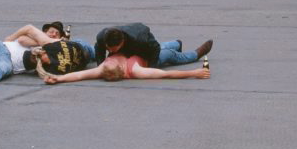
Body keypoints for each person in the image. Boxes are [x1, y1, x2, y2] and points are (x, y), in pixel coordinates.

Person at [0, 23, 93, 88]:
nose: (53, 34)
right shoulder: (44, 41)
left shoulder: (56, 53)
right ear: (45, 33)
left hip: (9, 62)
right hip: (0, 47)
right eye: (51, 31)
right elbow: (23, 39)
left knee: (0, 68)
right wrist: (12, 37)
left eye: (57, 33)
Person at [94, 23, 213, 68]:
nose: (110, 51)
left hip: (148, 49)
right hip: (139, 48)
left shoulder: (140, 40)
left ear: (122, 42)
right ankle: (176, 43)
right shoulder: (102, 37)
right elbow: (99, 49)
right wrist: (101, 66)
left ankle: (196, 54)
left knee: (168, 54)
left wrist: (151, 66)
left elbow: (155, 47)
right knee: (164, 46)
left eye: (114, 50)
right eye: (108, 49)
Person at [42, 53, 210, 84]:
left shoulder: (104, 68)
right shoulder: (136, 71)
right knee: (173, 52)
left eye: (107, 61)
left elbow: (79, 76)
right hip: (154, 57)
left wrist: (59, 78)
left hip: (135, 47)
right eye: (109, 62)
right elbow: (166, 74)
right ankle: (194, 54)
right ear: (120, 67)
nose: (108, 60)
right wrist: (193, 72)